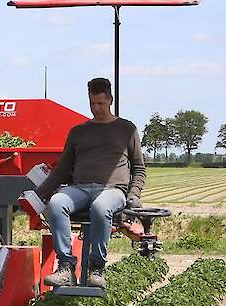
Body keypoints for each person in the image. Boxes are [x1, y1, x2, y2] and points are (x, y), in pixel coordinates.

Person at [33, 77, 146, 289]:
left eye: (101, 104)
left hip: (113, 190)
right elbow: (62, 171)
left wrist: (135, 194)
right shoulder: (78, 132)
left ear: (110, 100)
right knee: (57, 203)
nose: (96, 108)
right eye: (92, 104)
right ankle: (66, 267)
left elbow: (139, 168)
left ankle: (97, 268)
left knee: (101, 206)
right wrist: (38, 194)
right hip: (80, 188)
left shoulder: (127, 129)